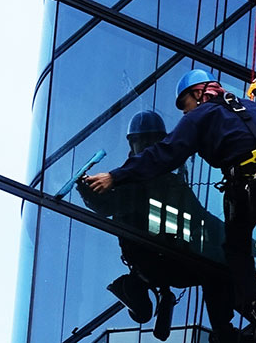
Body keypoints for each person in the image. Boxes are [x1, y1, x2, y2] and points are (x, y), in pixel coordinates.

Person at [84, 70, 256, 343]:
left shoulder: (200, 116)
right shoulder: (252, 107)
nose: (185, 114)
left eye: (185, 106)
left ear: (198, 93)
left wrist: (115, 176)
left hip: (246, 186)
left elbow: (165, 153)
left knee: (235, 248)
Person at [80, 110, 238, 342]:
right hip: (148, 257)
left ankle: (223, 329)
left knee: (215, 273)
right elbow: (107, 207)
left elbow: (199, 217)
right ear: (131, 144)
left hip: (172, 254)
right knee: (210, 272)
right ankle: (138, 288)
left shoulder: (171, 183)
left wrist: (232, 235)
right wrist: (87, 190)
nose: (146, 146)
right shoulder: (128, 181)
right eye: (142, 140)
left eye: (152, 141)